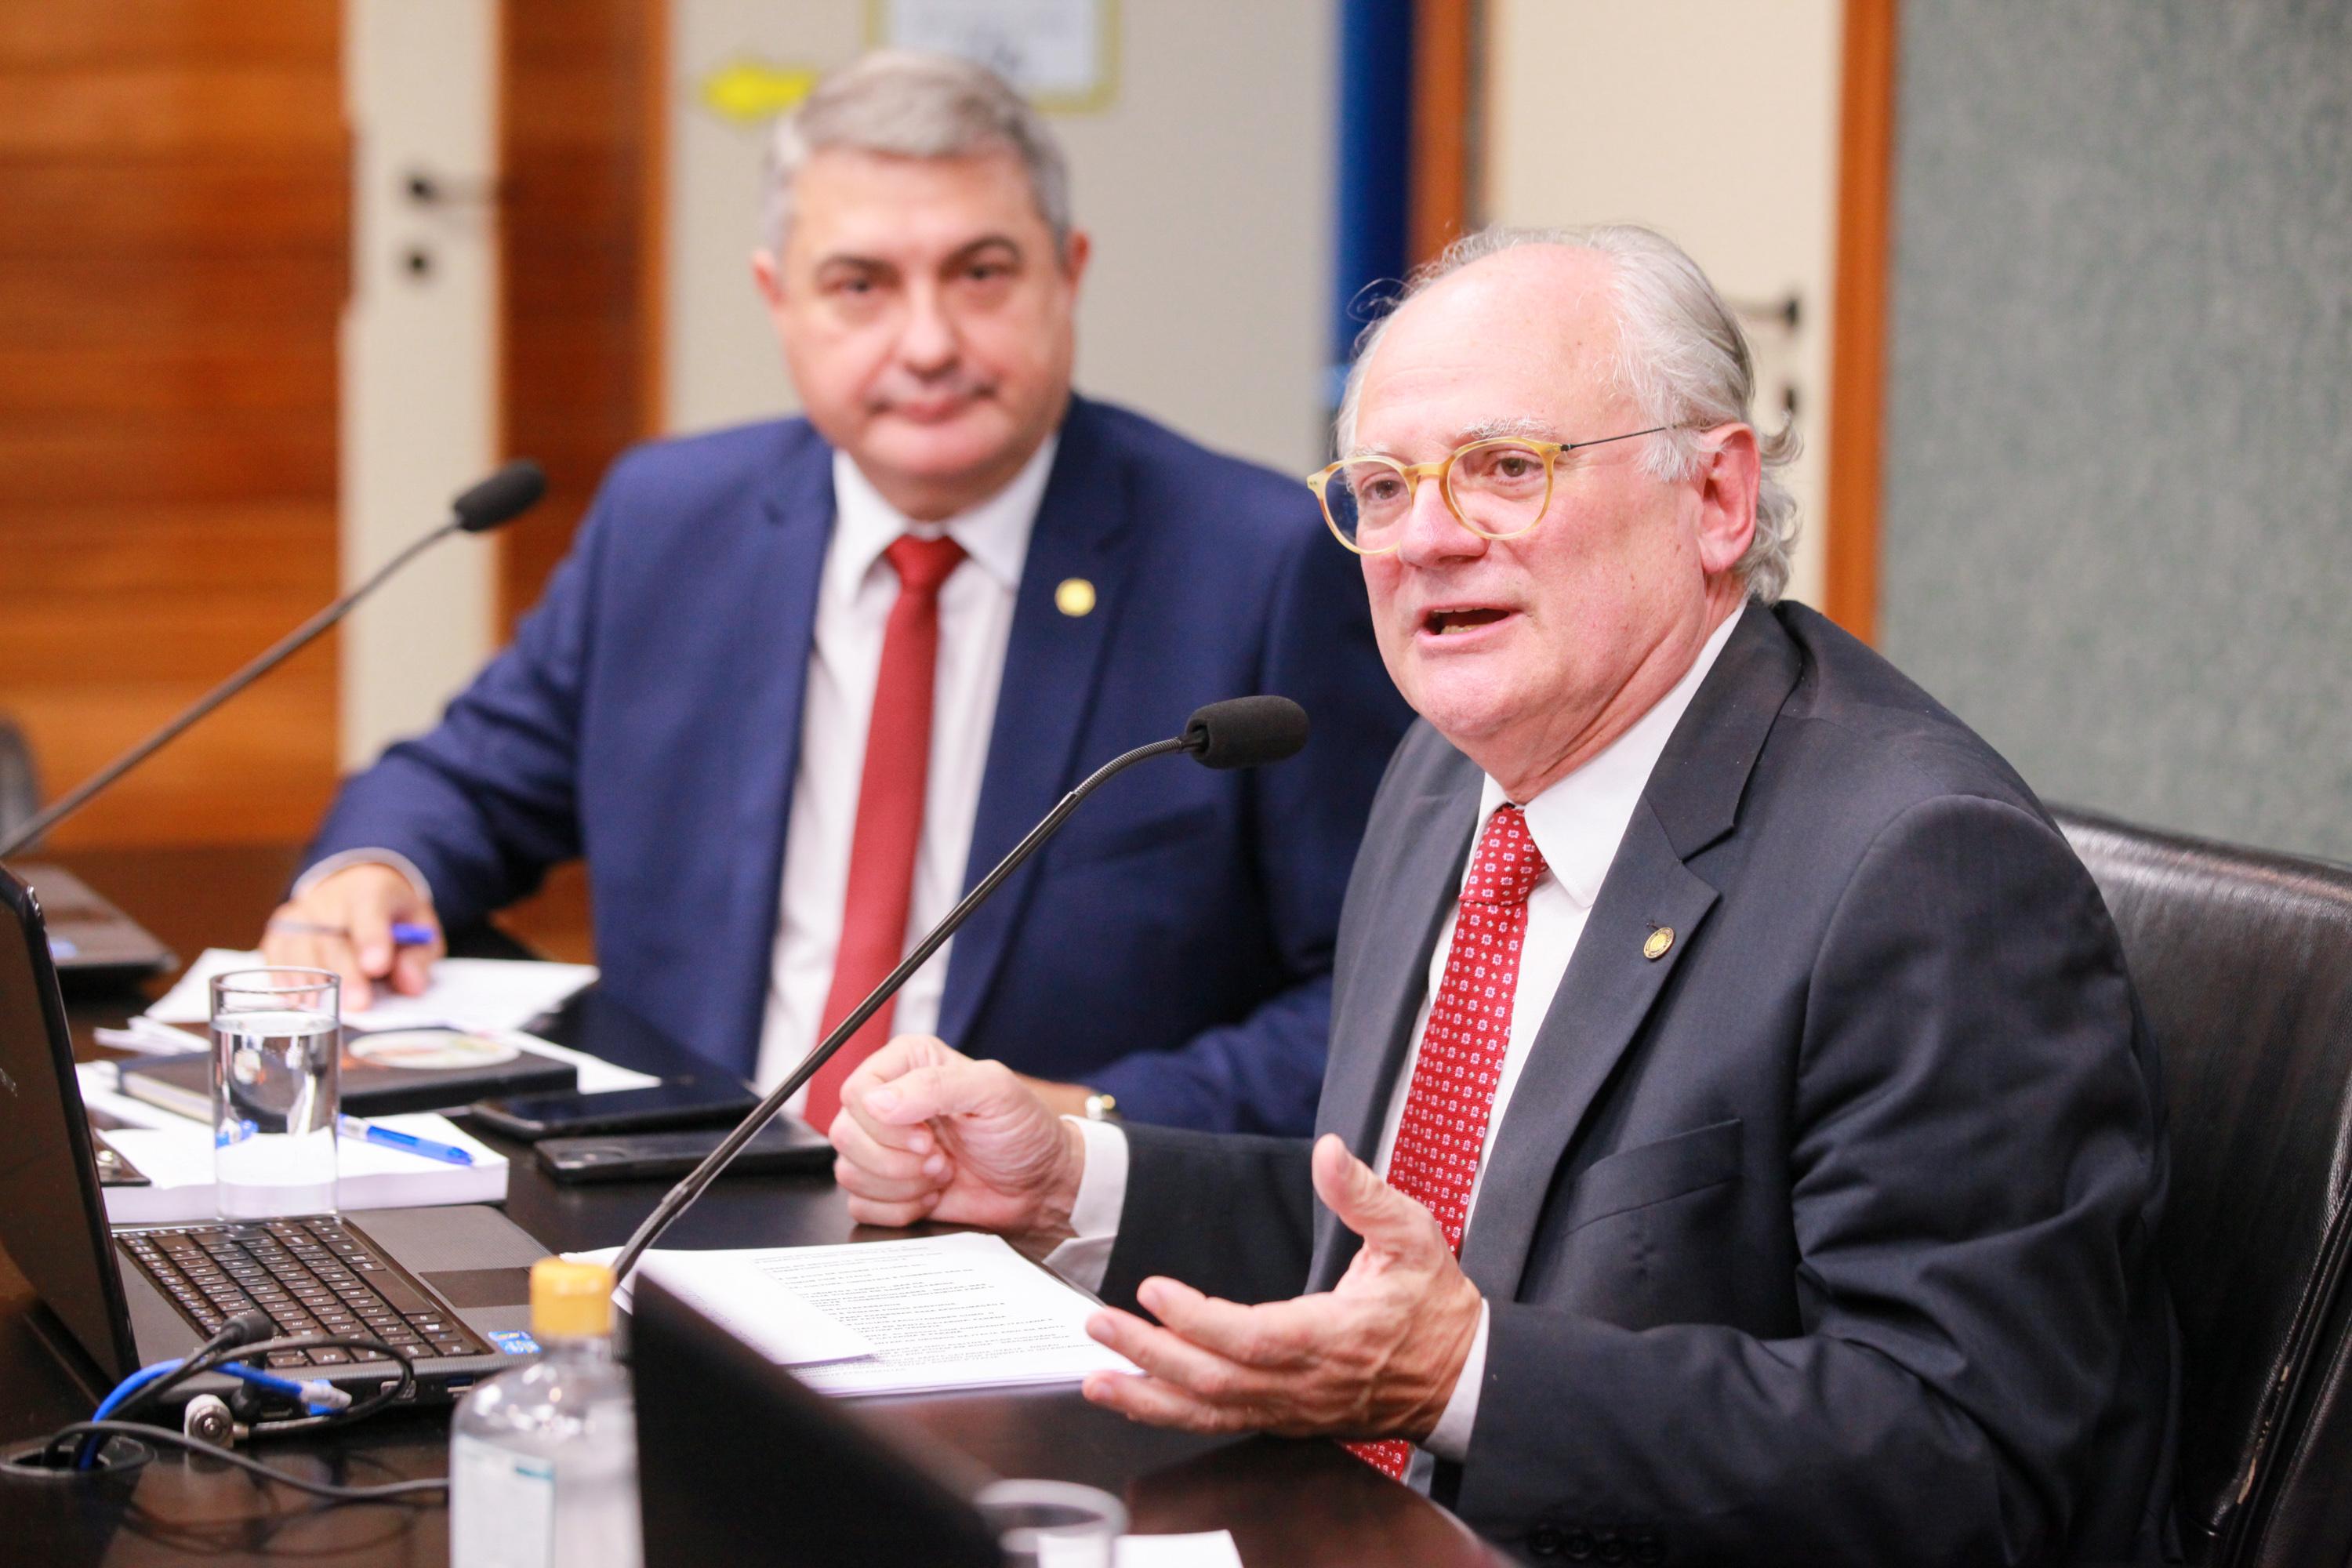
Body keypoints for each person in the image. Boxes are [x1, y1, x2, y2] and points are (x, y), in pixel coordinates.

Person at [828, 226, 2177, 1563]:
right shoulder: (1441, 776)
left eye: (1506, 471)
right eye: (1384, 487)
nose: (1426, 540)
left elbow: (1970, 1464)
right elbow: (1405, 1238)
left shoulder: (1923, 870)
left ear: (1715, 499)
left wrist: (1469, 1375)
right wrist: (1074, 1180)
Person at [262, 53, 1411, 1134]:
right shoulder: (671, 522)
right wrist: (373, 873)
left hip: (1033, 1250)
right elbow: (462, 781)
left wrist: (1088, 1128)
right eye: (860, 284)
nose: (927, 342)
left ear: (1069, 272)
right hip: (678, 1193)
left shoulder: (1257, 563)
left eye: (982, 273)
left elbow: (1381, 994)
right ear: (779, 299)